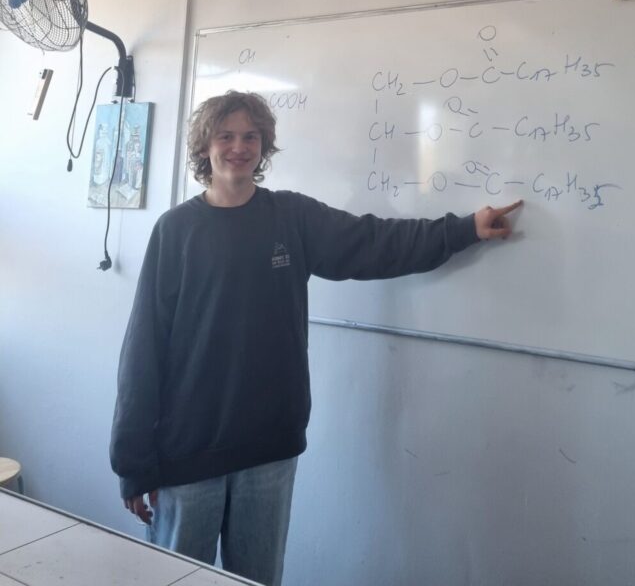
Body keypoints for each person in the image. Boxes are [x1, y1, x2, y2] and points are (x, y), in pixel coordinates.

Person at [110, 90, 522, 586]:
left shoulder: (291, 217)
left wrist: (463, 229)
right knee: (176, 579)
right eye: (226, 136)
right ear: (204, 146)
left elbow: (375, 243)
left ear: (264, 145)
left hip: (269, 450)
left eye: (250, 136)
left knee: (259, 579)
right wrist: (134, 463)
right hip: (187, 455)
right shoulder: (176, 230)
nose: (239, 147)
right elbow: (144, 349)